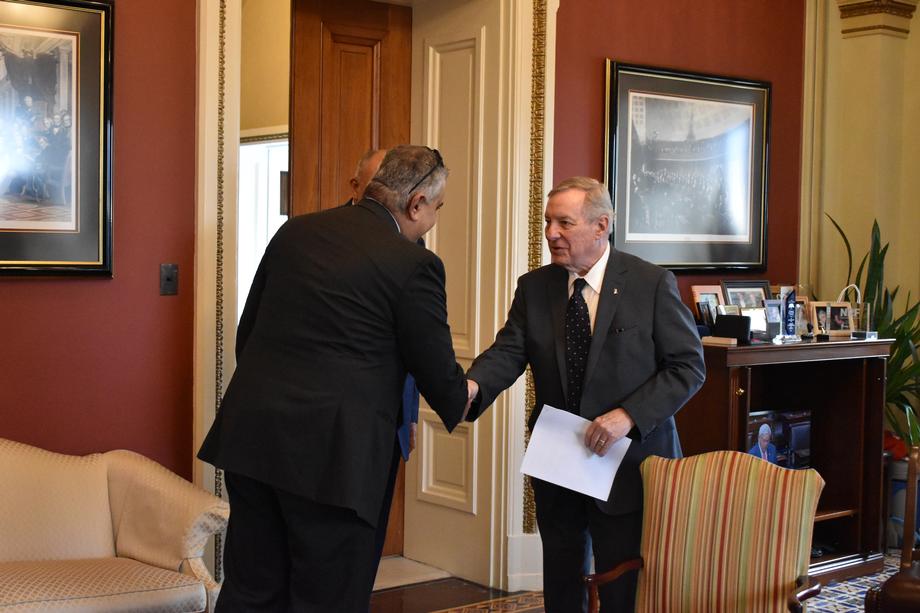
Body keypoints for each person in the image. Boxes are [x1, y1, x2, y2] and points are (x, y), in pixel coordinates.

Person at [198, 145, 479, 612]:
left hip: (254, 440)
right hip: (335, 461)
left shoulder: (296, 232)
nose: (432, 221)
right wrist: (468, 391)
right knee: (328, 600)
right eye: (436, 209)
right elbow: (438, 376)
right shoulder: (414, 264)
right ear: (416, 204)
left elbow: (247, 335)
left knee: (250, 589)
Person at [465, 176, 705, 612]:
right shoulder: (534, 287)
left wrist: (627, 415)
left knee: (622, 582)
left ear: (601, 226)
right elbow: (509, 351)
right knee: (562, 575)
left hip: (628, 458)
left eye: (564, 223)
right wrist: (473, 385)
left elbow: (688, 367)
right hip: (559, 456)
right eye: (547, 222)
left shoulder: (650, 283)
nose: (551, 233)